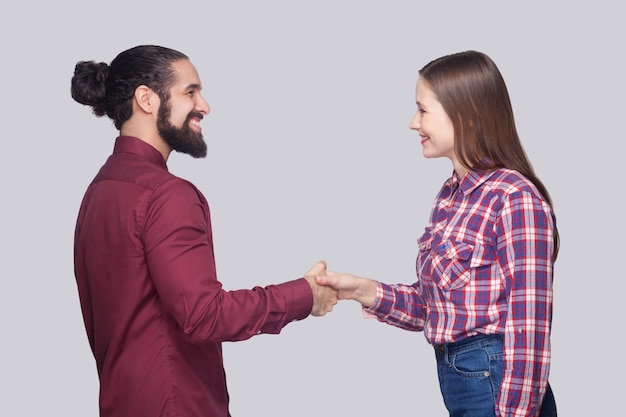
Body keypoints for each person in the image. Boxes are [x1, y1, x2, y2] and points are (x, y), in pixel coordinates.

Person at [71, 45, 337, 417]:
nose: (204, 106)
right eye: (190, 92)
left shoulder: (100, 189)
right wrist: (305, 296)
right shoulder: (167, 195)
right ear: (146, 99)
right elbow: (204, 315)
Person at [316, 50, 558, 417]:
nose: (413, 123)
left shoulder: (513, 197)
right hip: (463, 380)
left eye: (423, 110)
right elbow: (438, 311)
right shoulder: (450, 197)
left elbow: (531, 325)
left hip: (499, 388)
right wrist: (361, 290)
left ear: (468, 115)